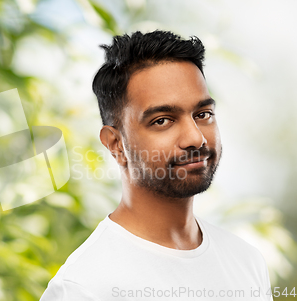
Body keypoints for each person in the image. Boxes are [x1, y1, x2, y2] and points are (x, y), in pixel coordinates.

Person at [40, 30, 273, 301]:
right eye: (162, 120)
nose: (195, 137)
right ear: (116, 144)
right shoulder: (83, 288)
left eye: (203, 114)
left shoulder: (246, 262)